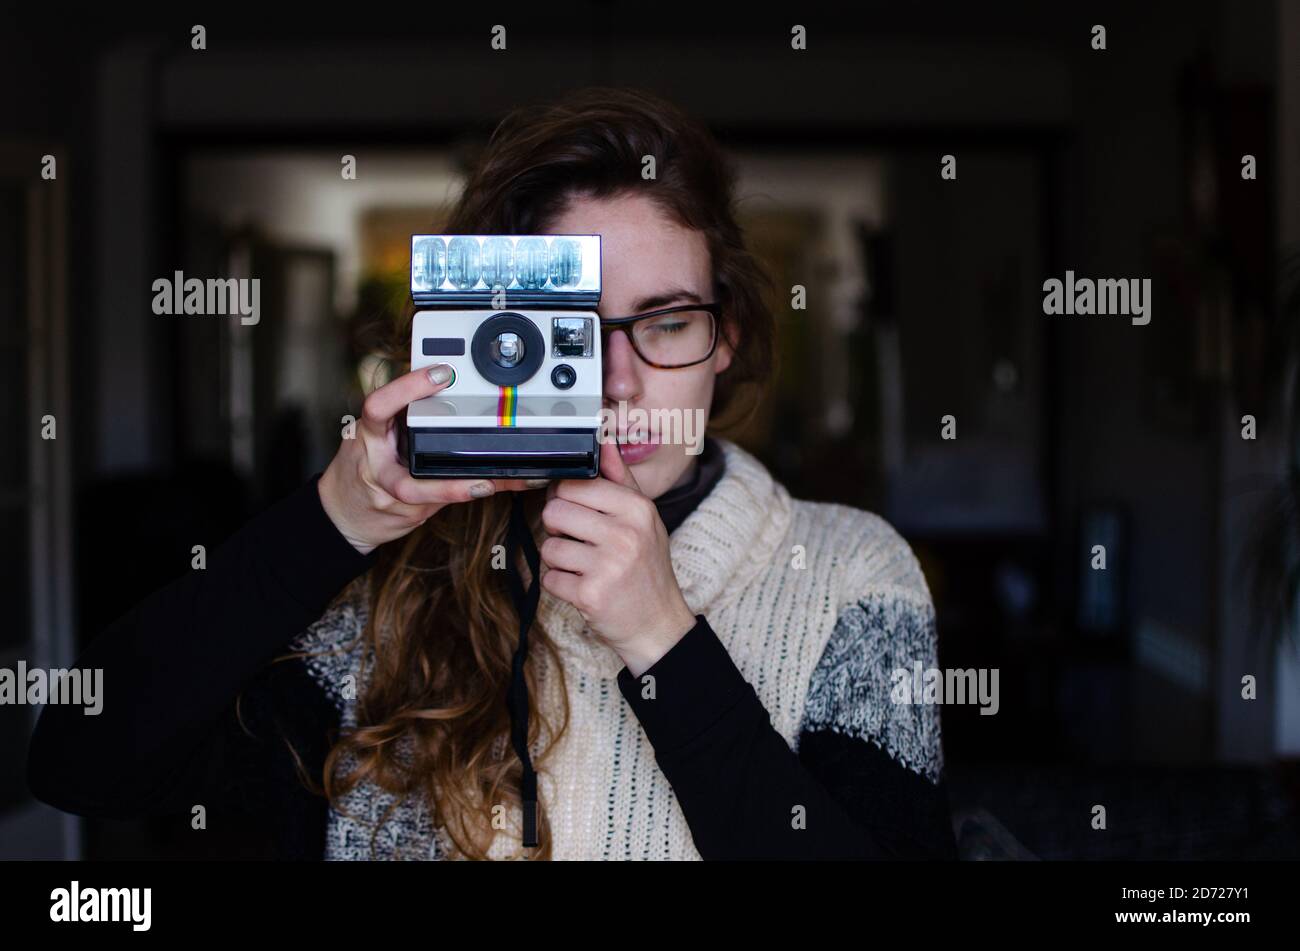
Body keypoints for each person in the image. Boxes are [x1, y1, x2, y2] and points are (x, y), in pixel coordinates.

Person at [27, 86, 958, 861]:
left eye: (667, 322)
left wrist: (665, 639)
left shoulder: (847, 571)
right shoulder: (390, 579)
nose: (617, 380)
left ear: (728, 341)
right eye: (572, 331)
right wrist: (327, 523)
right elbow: (80, 761)